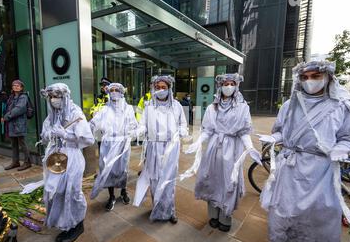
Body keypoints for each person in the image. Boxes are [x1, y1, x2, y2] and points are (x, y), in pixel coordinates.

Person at [258, 61, 350, 242]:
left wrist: (342, 148)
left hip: (321, 169)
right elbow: (281, 130)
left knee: (320, 216)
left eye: (315, 76)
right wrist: (274, 137)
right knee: (283, 209)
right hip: (291, 165)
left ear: (327, 77)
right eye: (305, 77)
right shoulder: (290, 105)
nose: (309, 81)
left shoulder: (340, 105)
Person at [180, 74, 262, 232]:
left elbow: (244, 132)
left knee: (228, 183)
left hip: (232, 150)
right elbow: (207, 130)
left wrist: (250, 147)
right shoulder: (212, 108)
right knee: (211, 181)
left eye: (232, 83)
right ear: (220, 86)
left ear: (236, 86)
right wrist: (197, 142)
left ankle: (225, 216)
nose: (229, 86)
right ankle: (213, 215)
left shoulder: (243, 107)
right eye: (225, 83)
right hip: (213, 149)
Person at [39, 83, 95, 242]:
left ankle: (77, 224)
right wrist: (48, 135)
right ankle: (65, 224)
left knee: (72, 191)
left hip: (72, 156)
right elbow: (44, 136)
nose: (53, 100)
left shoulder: (75, 112)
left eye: (56, 96)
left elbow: (88, 139)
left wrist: (66, 134)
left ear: (64, 96)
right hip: (55, 157)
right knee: (57, 192)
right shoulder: (52, 115)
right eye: (50, 97)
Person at [134, 75, 189, 224]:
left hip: (171, 147)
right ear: (153, 88)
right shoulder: (149, 106)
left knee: (168, 180)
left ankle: (170, 211)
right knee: (154, 178)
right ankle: (156, 207)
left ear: (169, 88)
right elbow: (143, 124)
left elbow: (183, 124)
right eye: (157, 87)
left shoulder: (176, 106)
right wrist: (138, 130)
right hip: (153, 146)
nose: (160, 90)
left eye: (163, 87)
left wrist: (182, 131)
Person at [89, 83, 138, 211]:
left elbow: (133, 124)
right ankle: (111, 196)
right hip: (108, 144)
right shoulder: (104, 109)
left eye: (117, 90)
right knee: (108, 169)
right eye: (112, 90)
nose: (114, 92)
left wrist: (131, 133)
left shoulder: (128, 109)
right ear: (108, 93)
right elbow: (95, 123)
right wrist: (89, 125)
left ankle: (123, 191)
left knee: (123, 169)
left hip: (123, 143)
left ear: (122, 92)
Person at [3, 80, 32, 171]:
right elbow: (8, 108)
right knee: (14, 144)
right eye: (14, 85)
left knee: (22, 143)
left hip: (19, 123)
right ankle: (15, 162)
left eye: (18, 85)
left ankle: (27, 162)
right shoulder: (11, 97)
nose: (16, 87)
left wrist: (7, 117)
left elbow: (19, 109)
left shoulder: (23, 97)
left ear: (21, 87)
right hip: (11, 124)